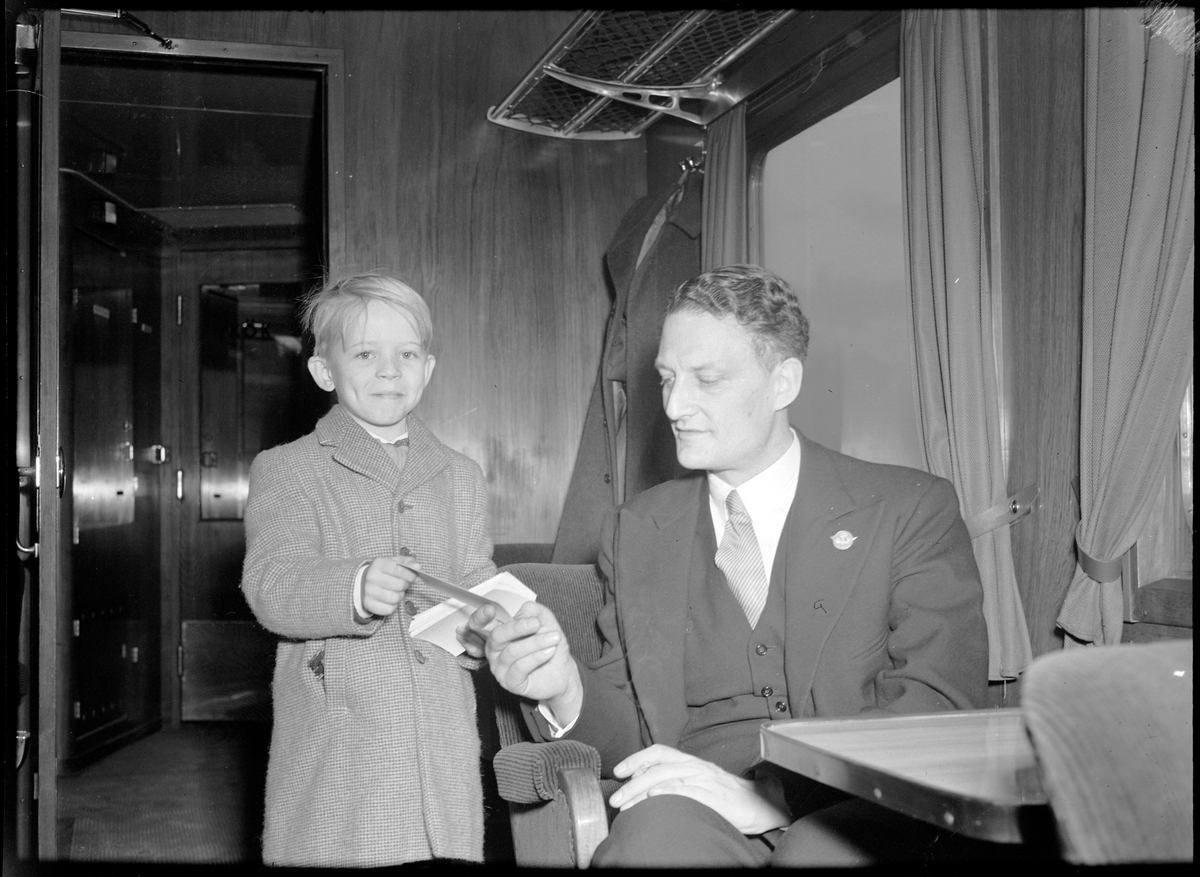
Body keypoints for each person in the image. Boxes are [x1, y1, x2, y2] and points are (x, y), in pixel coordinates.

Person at [463, 264, 991, 866]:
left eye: (706, 379)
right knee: (651, 843)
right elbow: (634, 732)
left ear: (782, 383)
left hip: (863, 803)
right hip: (696, 804)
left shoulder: (908, 508)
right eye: (666, 378)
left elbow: (937, 706)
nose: (674, 405)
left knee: (823, 852)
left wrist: (779, 798)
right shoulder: (636, 530)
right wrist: (564, 685)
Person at [241, 272, 496, 867]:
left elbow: (476, 579)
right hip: (343, 743)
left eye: (406, 354)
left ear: (427, 369)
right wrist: (353, 587)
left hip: (442, 740)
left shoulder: (460, 474)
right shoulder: (288, 468)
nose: (389, 371)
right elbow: (272, 582)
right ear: (323, 372)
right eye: (364, 354)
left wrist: (486, 627)